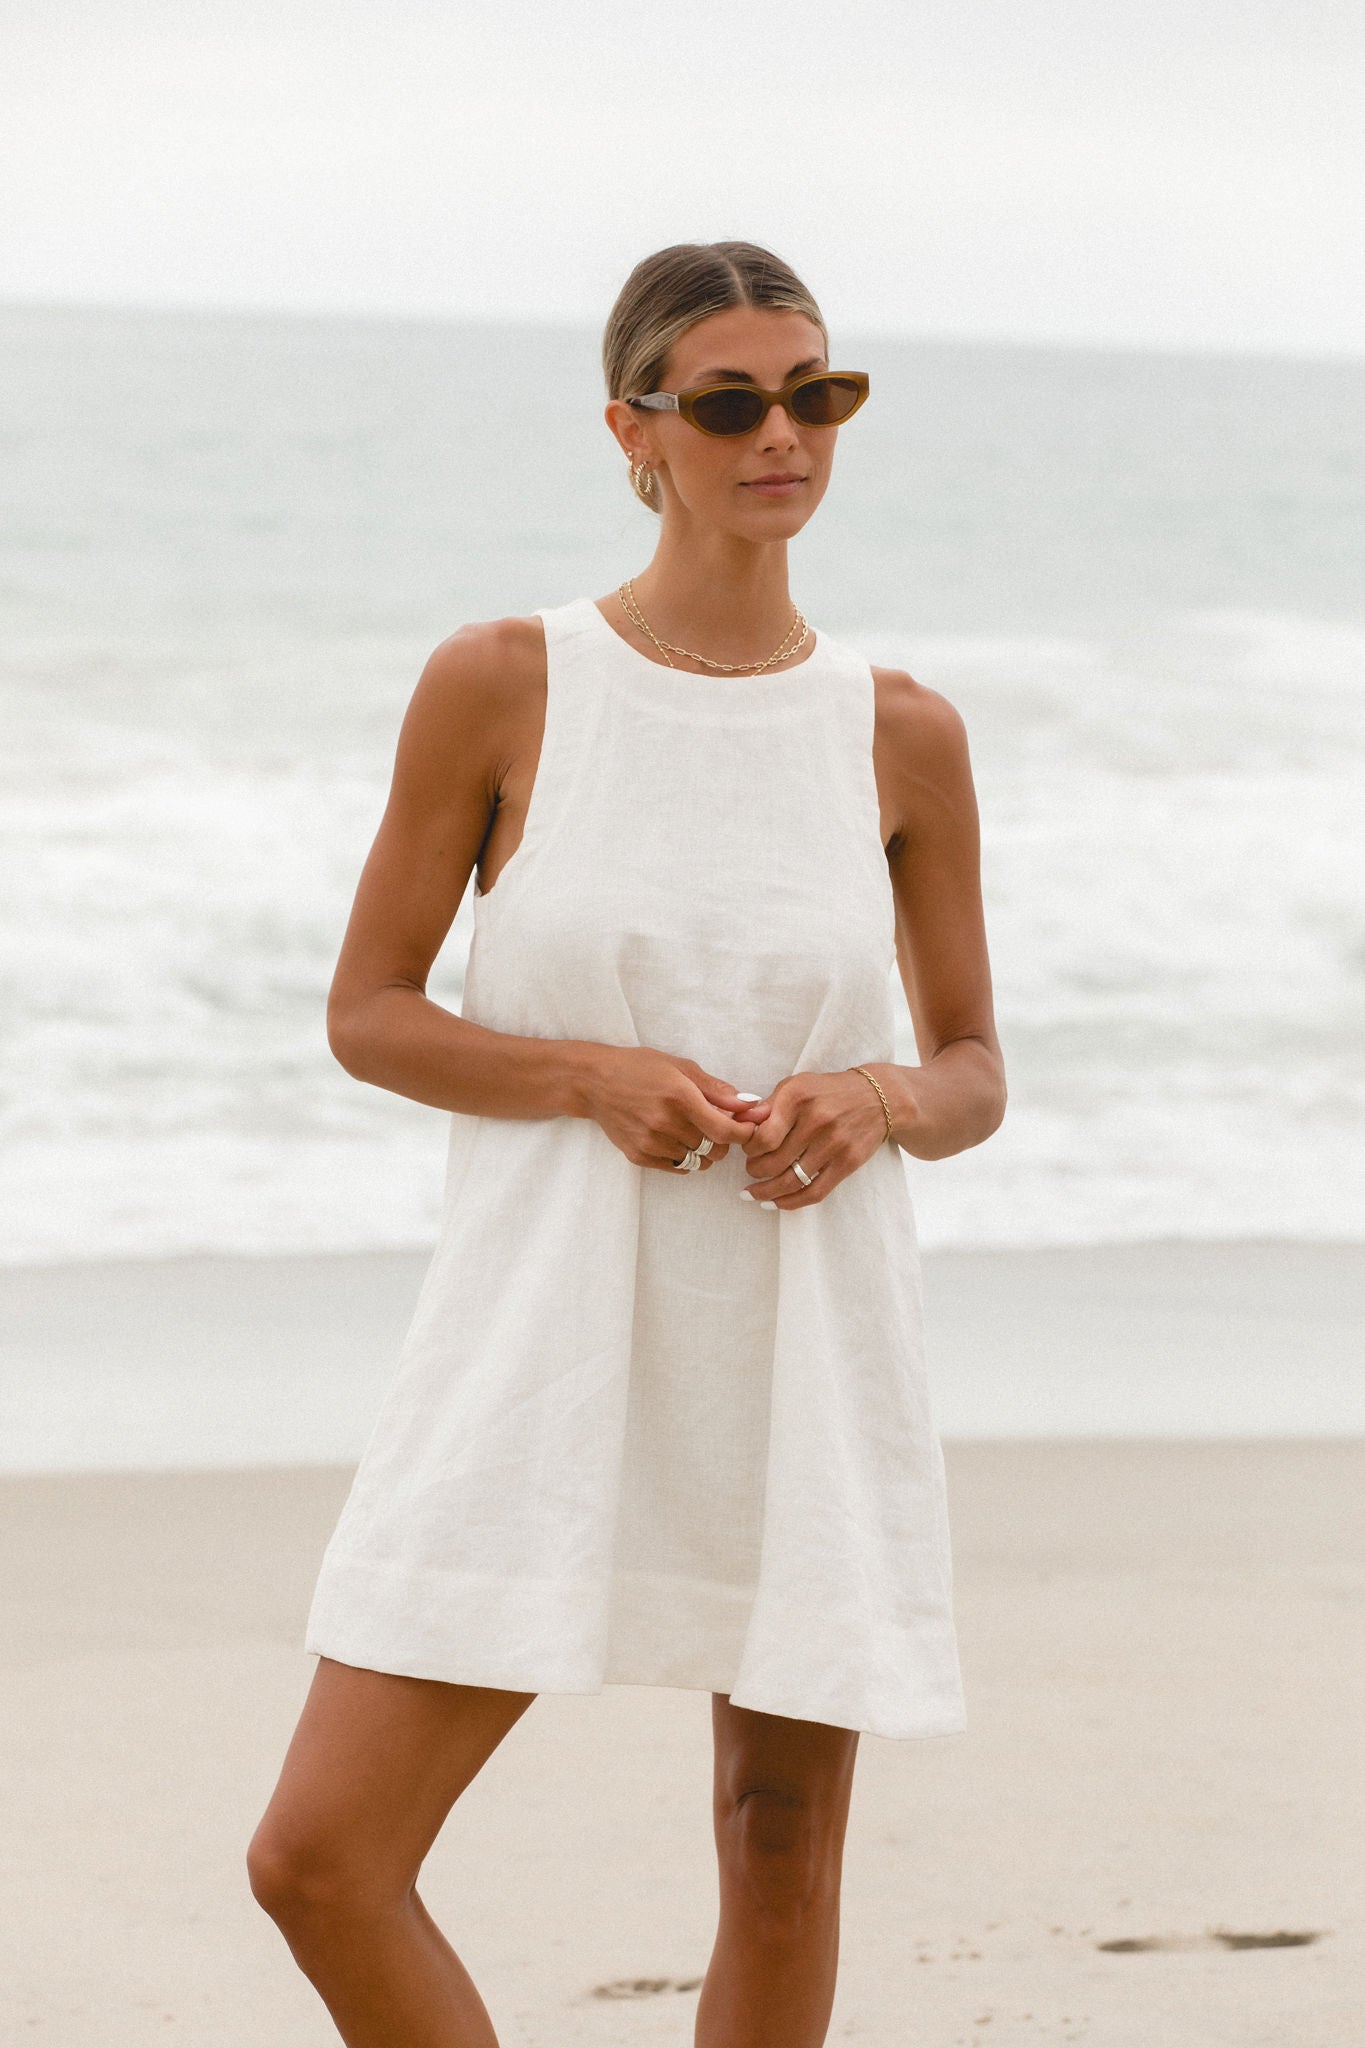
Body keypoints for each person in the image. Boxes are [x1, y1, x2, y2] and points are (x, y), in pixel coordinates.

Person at [246, 239, 1007, 2047]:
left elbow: (973, 1071)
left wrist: (878, 1097)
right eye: (730, 402)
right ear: (632, 431)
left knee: (777, 1845)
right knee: (321, 1858)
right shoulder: (505, 682)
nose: (782, 435)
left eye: (817, 393)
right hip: (540, 1339)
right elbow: (369, 1013)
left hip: (798, 1353)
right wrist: (584, 1074)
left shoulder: (899, 731)